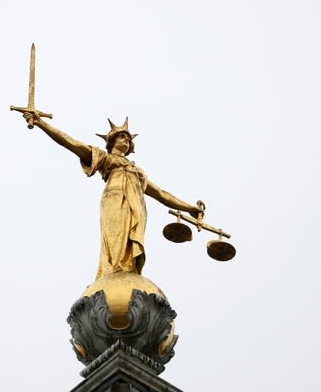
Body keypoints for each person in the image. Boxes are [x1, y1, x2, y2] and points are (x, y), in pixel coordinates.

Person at [22, 113, 203, 279]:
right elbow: (71, 143)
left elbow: (161, 194)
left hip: (137, 206)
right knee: (115, 236)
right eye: (121, 136)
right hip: (115, 199)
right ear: (111, 141)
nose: (126, 139)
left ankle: (128, 268)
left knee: (130, 240)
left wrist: (190, 208)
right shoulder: (105, 158)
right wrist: (41, 123)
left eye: (128, 138)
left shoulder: (136, 171)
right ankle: (112, 270)